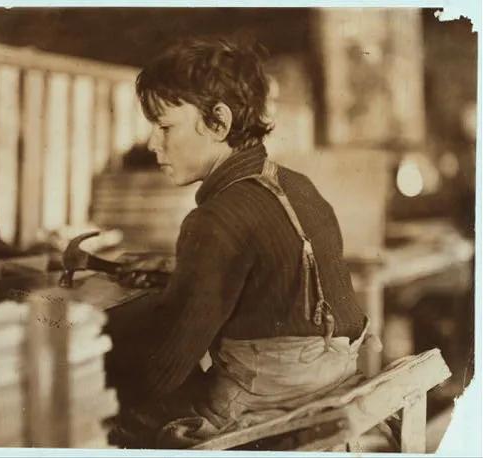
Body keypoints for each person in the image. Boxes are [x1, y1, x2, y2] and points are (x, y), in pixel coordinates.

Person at [104, 35, 379, 449]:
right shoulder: (297, 185)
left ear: (219, 121)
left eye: (164, 127)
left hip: (263, 410)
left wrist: (97, 344)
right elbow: (274, 279)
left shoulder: (213, 220)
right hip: (331, 383)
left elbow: (166, 369)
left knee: (113, 401)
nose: (153, 144)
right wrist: (179, 273)